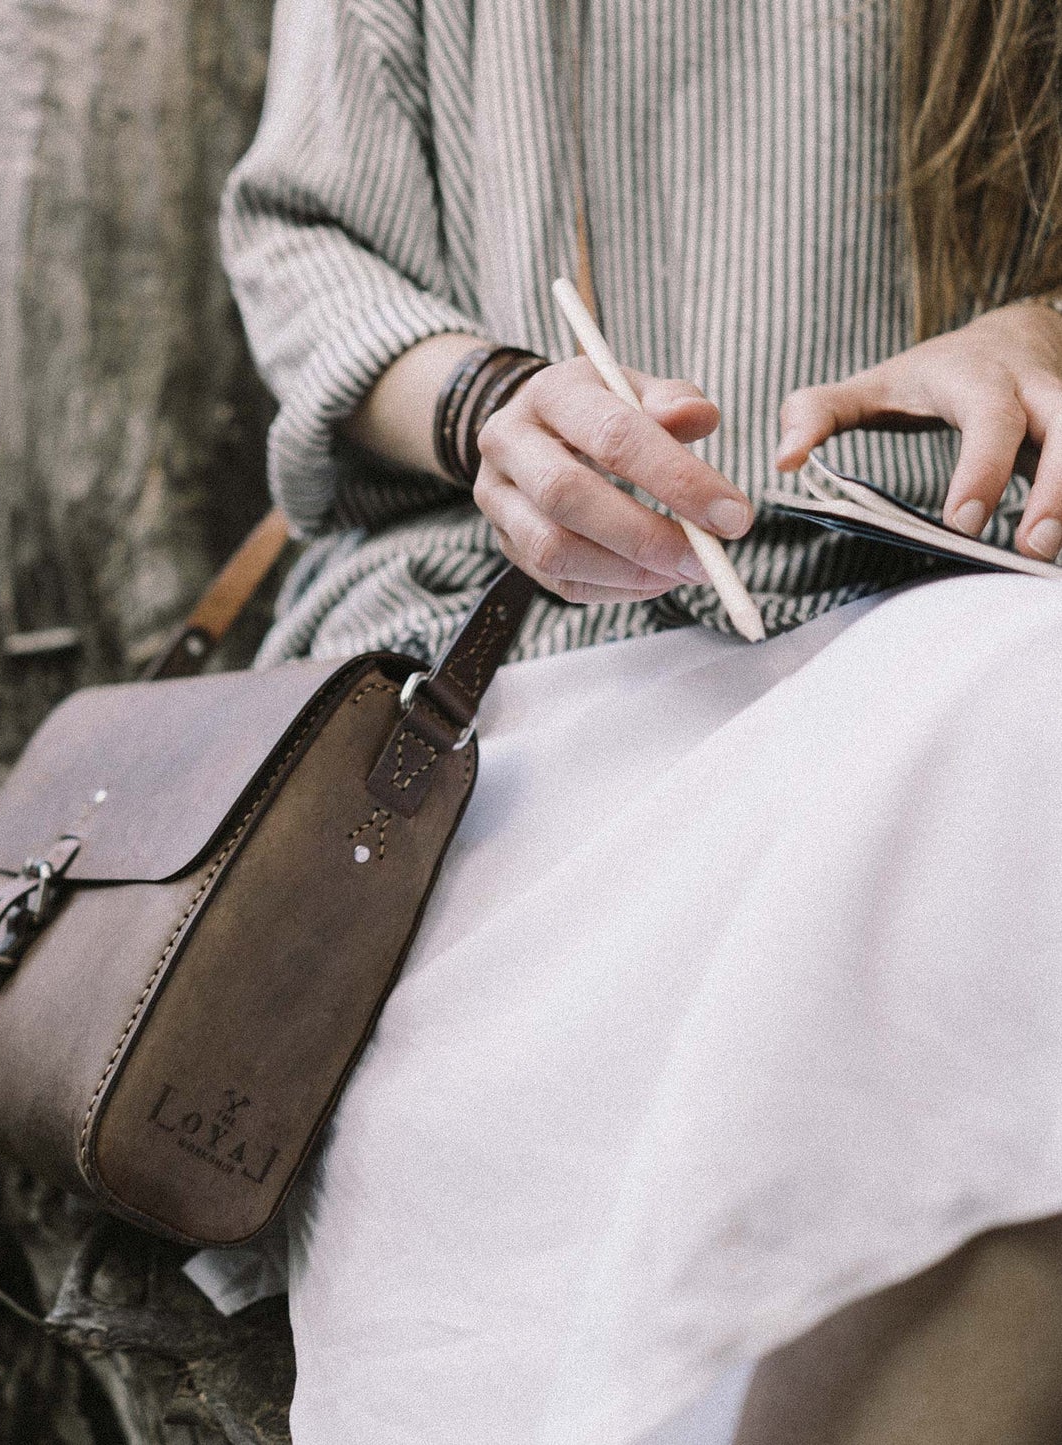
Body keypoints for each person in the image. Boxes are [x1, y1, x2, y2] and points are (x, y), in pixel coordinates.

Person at [184, 1, 1062, 1441]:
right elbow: (302, 237)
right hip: (527, 675)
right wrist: (488, 405)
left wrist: (1043, 332)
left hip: (961, 632)